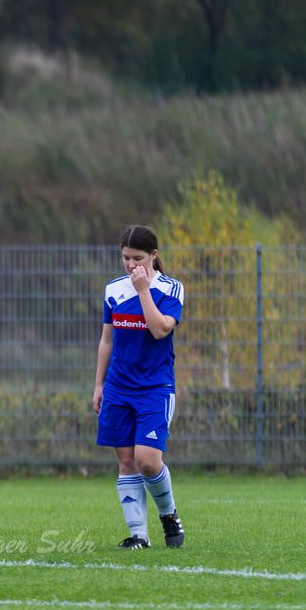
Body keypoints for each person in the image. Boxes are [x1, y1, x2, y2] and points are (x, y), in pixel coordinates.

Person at [93, 224, 186, 549]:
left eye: (138, 258)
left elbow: (161, 330)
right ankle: (138, 535)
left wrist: (144, 289)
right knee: (127, 461)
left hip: (155, 388)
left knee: (148, 459)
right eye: (126, 258)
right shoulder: (113, 290)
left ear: (154, 255)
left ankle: (169, 514)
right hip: (118, 387)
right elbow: (107, 340)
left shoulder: (171, 289)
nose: (131, 265)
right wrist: (99, 385)